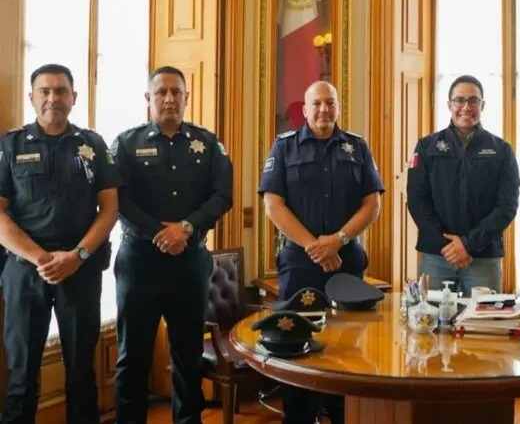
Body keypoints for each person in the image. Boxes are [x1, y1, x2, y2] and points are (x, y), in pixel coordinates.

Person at [111, 66, 233, 424]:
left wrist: (186, 228)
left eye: (176, 92)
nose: (168, 99)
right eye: (161, 92)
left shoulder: (208, 143)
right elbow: (119, 197)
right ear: (148, 99)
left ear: (186, 98)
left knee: (188, 355)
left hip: (189, 263)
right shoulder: (126, 143)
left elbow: (222, 195)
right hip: (139, 264)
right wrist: (158, 233)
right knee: (132, 358)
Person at [258, 80, 384, 424]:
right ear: (305, 110)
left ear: (339, 108)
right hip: (301, 263)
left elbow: (372, 204)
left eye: (331, 103)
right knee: (295, 339)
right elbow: (273, 205)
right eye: (317, 104)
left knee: (348, 343)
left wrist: (338, 240)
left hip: (346, 260)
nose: (324, 110)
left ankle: (343, 415)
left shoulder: (357, 147)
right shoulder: (284, 147)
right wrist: (316, 246)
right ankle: (300, 417)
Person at [0, 63, 120, 424]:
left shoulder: (93, 145)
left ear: (73, 97)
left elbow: (110, 208)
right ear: (32, 97)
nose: (53, 98)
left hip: (80, 270)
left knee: (82, 372)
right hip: (25, 272)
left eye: (61, 91)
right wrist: (41, 258)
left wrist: (78, 255)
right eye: (45, 91)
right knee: (21, 374)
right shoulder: (11, 144)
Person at [407, 74, 520, 295]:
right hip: (436, 257)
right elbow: (417, 200)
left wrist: (468, 245)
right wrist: (448, 247)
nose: (466, 107)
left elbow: (507, 207)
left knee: (483, 326)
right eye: (459, 100)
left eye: (473, 100)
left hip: (483, 257)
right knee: (431, 324)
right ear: (449, 105)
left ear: (482, 105)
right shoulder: (426, 146)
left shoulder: (502, 150)